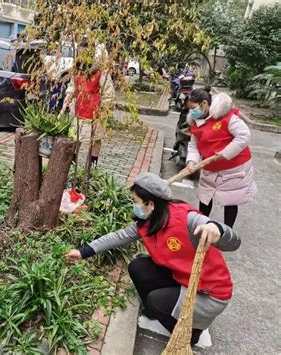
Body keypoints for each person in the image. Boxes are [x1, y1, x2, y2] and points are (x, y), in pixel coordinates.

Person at [65, 172, 240, 345]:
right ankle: (156, 311)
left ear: (150, 204)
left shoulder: (186, 218)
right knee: (138, 267)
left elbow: (234, 242)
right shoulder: (148, 222)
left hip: (208, 292)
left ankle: (190, 334)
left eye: (135, 202)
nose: (133, 205)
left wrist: (216, 228)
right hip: (182, 277)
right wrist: (83, 252)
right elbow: (117, 237)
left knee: (156, 300)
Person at [186, 87, 257, 227]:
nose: (192, 112)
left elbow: (244, 135)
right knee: (205, 196)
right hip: (209, 165)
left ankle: (227, 231)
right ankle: (201, 225)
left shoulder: (227, 117)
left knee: (230, 198)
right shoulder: (196, 122)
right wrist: (191, 162)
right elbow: (194, 145)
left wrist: (225, 153)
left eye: (193, 108)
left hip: (233, 167)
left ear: (204, 104)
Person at [61, 43, 115, 166]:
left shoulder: (101, 72)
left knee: (95, 140)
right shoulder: (77, 71)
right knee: (75, 139)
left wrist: (102, 109)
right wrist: (69, 95)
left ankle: (92, 166)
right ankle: (72, 164)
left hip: (95, 113)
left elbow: (109, 93)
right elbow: (72, 86)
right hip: (79, 111)